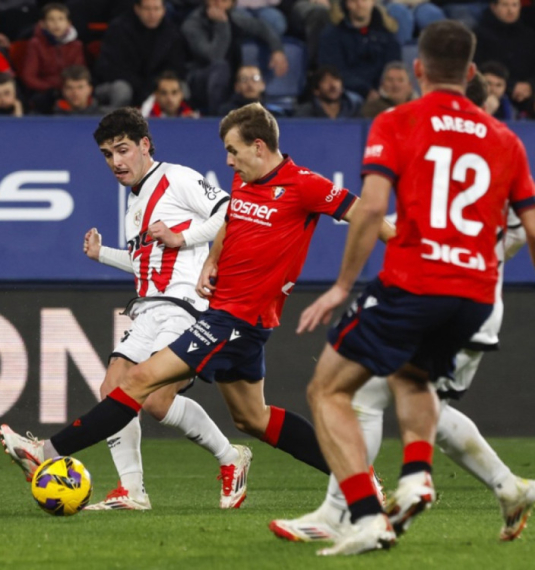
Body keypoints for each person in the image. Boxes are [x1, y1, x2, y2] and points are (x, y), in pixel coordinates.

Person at [0, 103, 395, 500]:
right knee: (251, 418)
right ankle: (362, 478)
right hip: (231, 313)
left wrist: (405, 252)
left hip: (236, 317)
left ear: (258, 146)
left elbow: (369, 213)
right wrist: (210, 260)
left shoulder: (304, 184)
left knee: (137, 382)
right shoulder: (244, 179)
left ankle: (46, 452)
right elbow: (230, 221)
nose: (227, 160)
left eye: (233, 150)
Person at [292, 20, 535, 556]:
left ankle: (365, 516)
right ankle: (417, 474)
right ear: (471, 74)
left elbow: (371, 207)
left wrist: (341, 285)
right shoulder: (504, 137)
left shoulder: (399, 121)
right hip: (475, 296)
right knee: (411, 374)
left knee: (327, 390)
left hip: (415, 282)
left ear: (417, 69)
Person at [49, 107, 252, 511]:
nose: (116, 162)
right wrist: (102, 254)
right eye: (107, 154)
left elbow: (230, 212)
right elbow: (147, 262)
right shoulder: (135, 204)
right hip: (149, 307)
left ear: (145, 144)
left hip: (187, 305)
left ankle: (231, 458)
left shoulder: (176, 177)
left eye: (122, 149)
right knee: (123, 393)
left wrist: (182, 236)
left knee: (142, 395)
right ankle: (134, 490)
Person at [181, 0, 288, 115]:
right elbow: (214, 56)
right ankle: (216, 117)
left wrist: (277, 50)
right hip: (199, 80)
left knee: (246, 74)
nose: (218, 4)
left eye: (224, 1)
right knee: (221, 68)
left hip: (229, 77)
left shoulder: (233, 17)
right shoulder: (193, 24)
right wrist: (221, 24)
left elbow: (261, 28)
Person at [94, 0, 188, 109]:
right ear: (137, 9)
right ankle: (115, 122)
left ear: (164, 10)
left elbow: (175, 67)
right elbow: (111, 67)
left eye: (156, 9)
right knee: (122, 90)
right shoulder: (118, 29)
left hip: (157, 86)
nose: (152, 14)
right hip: (125, 83)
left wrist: (154, 86)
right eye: (147, 9)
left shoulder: (172, 34)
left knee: (180, 88)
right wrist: (141, 88)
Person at [473, 0, 535, 114]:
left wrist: (530, 86)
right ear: (493, 7)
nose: (510, 10)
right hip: (494, 92)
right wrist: (510, 86)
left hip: (527, 95)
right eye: (505, 5)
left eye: (514, 5)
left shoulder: (530, 36)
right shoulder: (479, 35)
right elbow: (477, 68)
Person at [317, 0, 401, 101]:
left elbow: (393, 67)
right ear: (347, 4)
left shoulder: (387, 35)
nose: (360, 4)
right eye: (354, 0)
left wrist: (381, 91)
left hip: (382, 94)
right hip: (345, 95)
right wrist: (366, 91)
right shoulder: (331, 35)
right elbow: (333, 71)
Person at [19, 2, 86, 114]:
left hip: (69, 89)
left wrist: (70, 88)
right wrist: (51, 88)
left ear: (68, 23)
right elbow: (29, 76)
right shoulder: (35, 44)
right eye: (51, 19)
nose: (56, 24)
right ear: (42, 24)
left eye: (60, 19)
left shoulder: (76, 45)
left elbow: (79, 72)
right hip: (45, 92)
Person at [293, 64, 362, 118]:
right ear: (316, 91)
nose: (332, 85)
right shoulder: (305, 114)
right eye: (325, 81)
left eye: (336, 79)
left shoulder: (353, 111)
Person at [217, 64, 287, 116]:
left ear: (263, 85)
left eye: (255, 79)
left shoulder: (274, 114)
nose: (249, 84)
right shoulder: (226, 114)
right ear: (237, 86)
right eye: (244, 79)